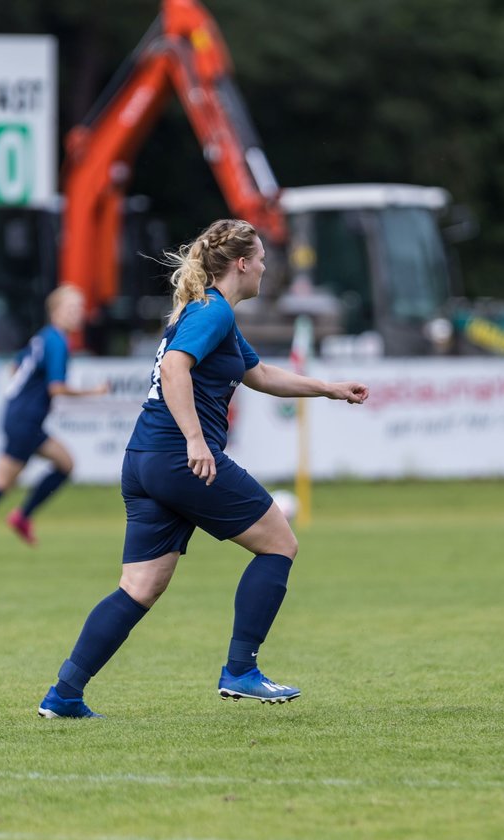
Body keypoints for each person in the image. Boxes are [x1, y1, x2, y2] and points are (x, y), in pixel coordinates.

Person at [36, 219, 369, 718]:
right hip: (178, 458)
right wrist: (196, 440)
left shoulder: (213, 315)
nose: (263, 267)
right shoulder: (212, 311)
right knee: (280, 542)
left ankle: (64, 695)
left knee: (140, 587)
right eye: (259, 259)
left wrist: (328, 387)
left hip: (145, 460)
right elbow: (174, 369)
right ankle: (241, 671)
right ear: (240, 264)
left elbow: (260, 374)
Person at [0, 287, 107, 560]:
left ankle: (20, 517)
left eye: (79, 308)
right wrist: (93, 393)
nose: (77, 314)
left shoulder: (43, 337)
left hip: (21, 417)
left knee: (66, 464)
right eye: (71, 308)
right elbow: (56, 388)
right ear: (55, 311)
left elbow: (16, 368)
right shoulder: (58, 342)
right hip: (24, 421)